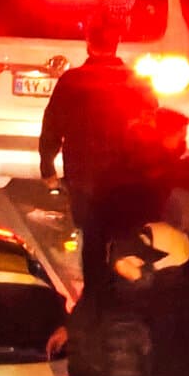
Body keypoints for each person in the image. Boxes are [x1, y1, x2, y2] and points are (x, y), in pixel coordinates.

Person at [39, 17, 157, 279]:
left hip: (84, 175)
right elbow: (151, 126)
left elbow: (52, 126)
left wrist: (47, 166)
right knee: (124, 233)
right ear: (116, 44)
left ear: (88, 44)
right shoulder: (136, 82)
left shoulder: (73, 81)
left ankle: (94, 292)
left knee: (92, 237)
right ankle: (122, 286)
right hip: (125, 176)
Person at [58, 229, 164, 376]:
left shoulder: (93, 304)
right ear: (121, 265)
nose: (150, 270)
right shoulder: (124, 316)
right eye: (142, 263)